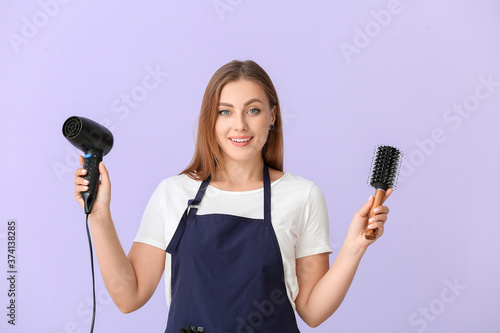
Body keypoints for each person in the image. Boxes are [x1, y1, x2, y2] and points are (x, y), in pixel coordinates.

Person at [73, 60, 391, 332]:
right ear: (211, 120)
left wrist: (353, 247)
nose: (239, 125)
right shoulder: (173, 192)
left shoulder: (302, 195)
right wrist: (99, 216)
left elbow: (312, 310)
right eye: (225, 112)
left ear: (273, 116)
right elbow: (129, 296)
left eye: (253, 110)